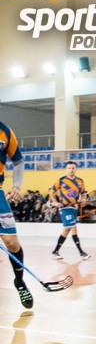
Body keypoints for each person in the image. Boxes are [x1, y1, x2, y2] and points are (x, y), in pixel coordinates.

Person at [0, 121, 33, 308]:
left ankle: (19, 281)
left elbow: (18, 162)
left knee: (11, 242)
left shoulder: (5, 132)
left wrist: (17, 186)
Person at [49, 161, 92, 260]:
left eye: (73, 168)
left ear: (76, 169)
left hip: (74, 208)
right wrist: (55, 202)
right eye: (69, 168)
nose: (71, 170)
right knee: (72, 227)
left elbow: (83, 194)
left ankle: (55, 252)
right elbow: (51, 192)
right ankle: (81, 253)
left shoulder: (80, 181)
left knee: (67, 229)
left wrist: (83, 200)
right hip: (65, 208)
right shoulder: (61, 180)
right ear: (66, 169)